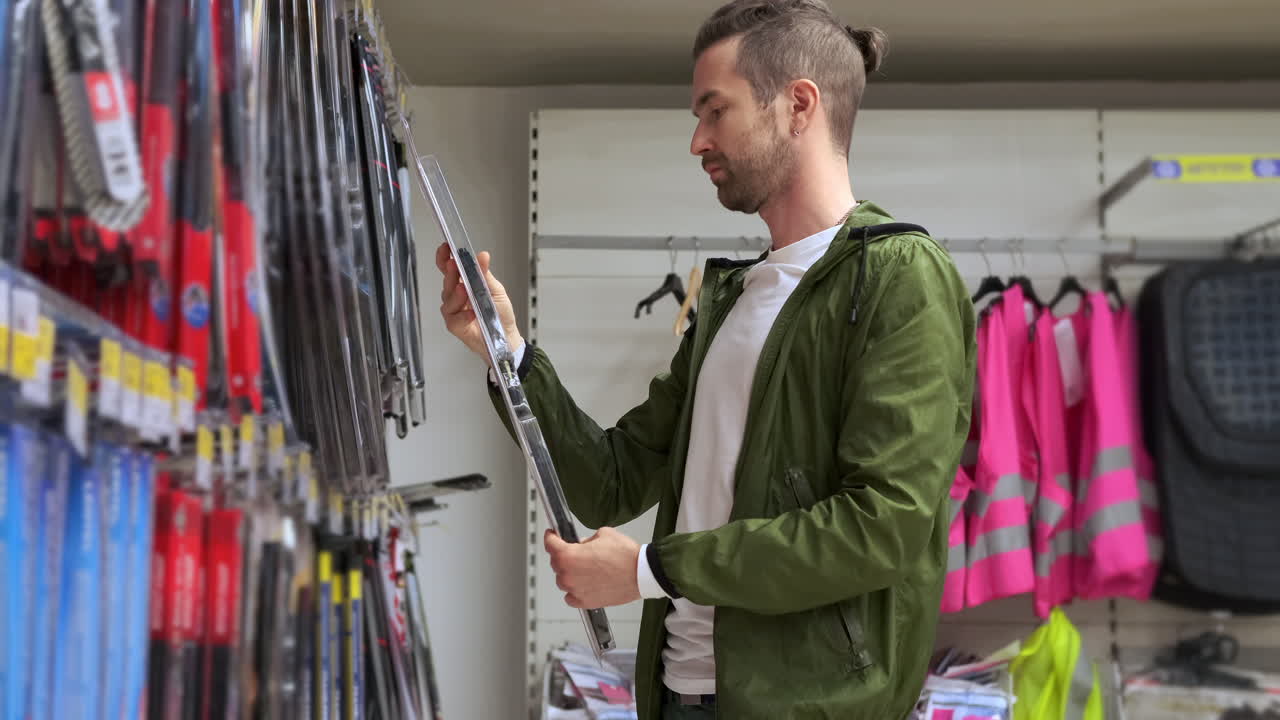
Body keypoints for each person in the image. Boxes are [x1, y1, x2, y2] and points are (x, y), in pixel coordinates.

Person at [435, 1, 977, 717]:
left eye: (715, 111)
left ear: (798, 105)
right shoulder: (732, 296)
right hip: (681, 698)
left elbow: (881, 527)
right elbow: (611, 480)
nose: (697, 141)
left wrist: (648, 569)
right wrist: (505, 351)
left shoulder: (900, 275)